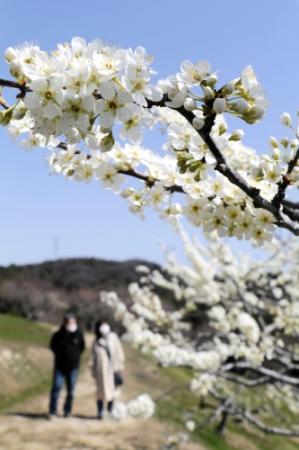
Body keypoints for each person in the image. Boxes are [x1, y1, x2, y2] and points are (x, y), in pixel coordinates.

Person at [48, 314, 85, 418]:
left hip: (73, 367)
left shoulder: (79, 334)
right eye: (69, 323)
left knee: (71, 391)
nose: (71, 325)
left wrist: (75, 357)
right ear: (64, 323)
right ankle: (52, 410)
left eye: (73, 322)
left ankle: (67, 410)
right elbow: (52, 347)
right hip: (60, 366)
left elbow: (82, 348)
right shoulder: (58, 335)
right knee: (56, 388)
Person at [90, 320, 125, 419]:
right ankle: (100, 412)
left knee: (112, 392)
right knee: (100, 393)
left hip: (113, 370)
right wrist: (93, 371)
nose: (104, 327)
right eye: (101, 325)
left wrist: (120, 367)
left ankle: (110, 410)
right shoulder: (96, 341)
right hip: (101, 372)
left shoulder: (113, 337)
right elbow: (92, 358)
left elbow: (119, 352)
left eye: (105, 324)